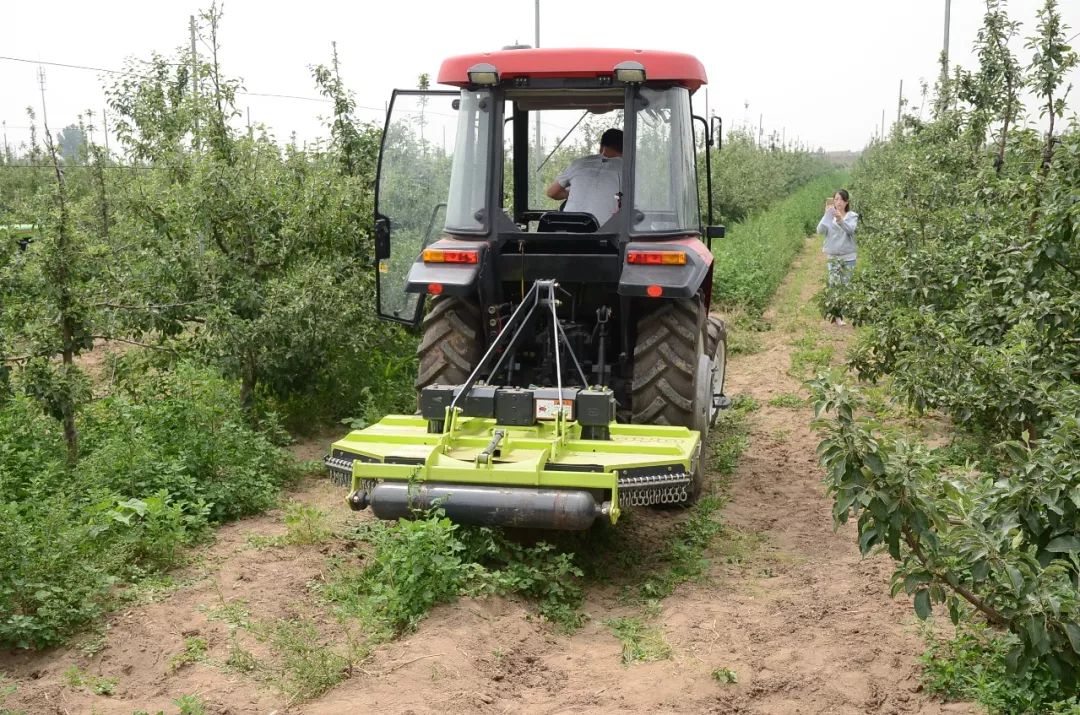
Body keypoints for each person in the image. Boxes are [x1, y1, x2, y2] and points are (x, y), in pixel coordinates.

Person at [545, 128, 623, 224]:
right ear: (626, 149)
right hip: (602, 234)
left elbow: (552, 192)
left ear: (601, 147)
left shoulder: (579, 163)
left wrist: (575, 191)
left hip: (567, 229)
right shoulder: (628, 169)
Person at [816, 189, 859, 326]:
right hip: (833, 256)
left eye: (841, 199)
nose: (838, 202)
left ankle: (842, 312)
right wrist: (826, 216)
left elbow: (850, 230)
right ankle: (837, 315)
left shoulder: (852, 216)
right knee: (834, 284)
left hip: (848, 256)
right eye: (835, 199)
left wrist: (840, 220)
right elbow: (820, 231)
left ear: (846, 202)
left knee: (846, 286)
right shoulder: (830, 215)